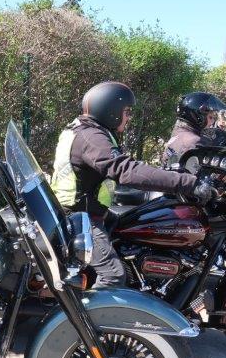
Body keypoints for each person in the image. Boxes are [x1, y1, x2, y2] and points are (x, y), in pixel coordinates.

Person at [50, 81, 215, 287]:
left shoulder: (84, 130)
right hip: (80, 217)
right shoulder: (91, 137)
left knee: (133, 234)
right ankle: (97, 307)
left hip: (88, 210)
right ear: (111, 110)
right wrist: (188, 183)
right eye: (126, 112)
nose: (128, 117)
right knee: (113, 276)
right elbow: (126, 170)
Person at [161, 91, 226, 167]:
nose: (212, 121)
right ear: (198, 116)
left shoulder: (178, 132)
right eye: (210, 117)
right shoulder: (195, 141)